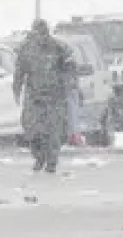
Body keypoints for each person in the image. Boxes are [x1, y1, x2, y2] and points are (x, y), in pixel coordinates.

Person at [13, 19, 76, 172]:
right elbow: (19, 72)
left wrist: (69, 85)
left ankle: (52, 161)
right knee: (32, 131)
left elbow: (70, 68)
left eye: (43, 33)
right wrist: (16, 89)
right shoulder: (26, 49)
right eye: (37, 33)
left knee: (53, 132)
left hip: (55, 97)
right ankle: (39, 156)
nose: (41, 37)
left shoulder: (59, 48)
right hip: (34, 97)